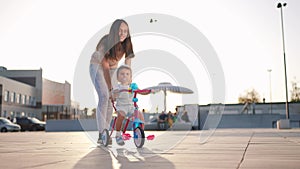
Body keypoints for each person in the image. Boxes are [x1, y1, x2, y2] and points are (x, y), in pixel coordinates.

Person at [89, 19, 134, 144]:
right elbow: (105, 67)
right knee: (104, 96)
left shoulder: (127, 43)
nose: (123, 34)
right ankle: (101, 133)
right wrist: (110, 88)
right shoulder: (105, 42)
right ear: (115, 31)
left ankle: (106, 132)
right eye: (120, 31)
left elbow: (127, 65)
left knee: (111, 100)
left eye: (125, 31)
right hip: (97, 66)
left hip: (113, 68)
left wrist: (128, 84)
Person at [112, 65, 149, 145]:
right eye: (122, 74)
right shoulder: (117, 87)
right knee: (121, 115)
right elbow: (113, 96)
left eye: (127, 74)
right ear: (118, 78)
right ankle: (118, 134)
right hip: (121, 106)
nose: (125, 75)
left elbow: (141, 91)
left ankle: (140, 131)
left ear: (130, 77)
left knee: (139, 115)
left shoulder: (133, 86)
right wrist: (114, 94)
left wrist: (147, 91)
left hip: (131, 107)